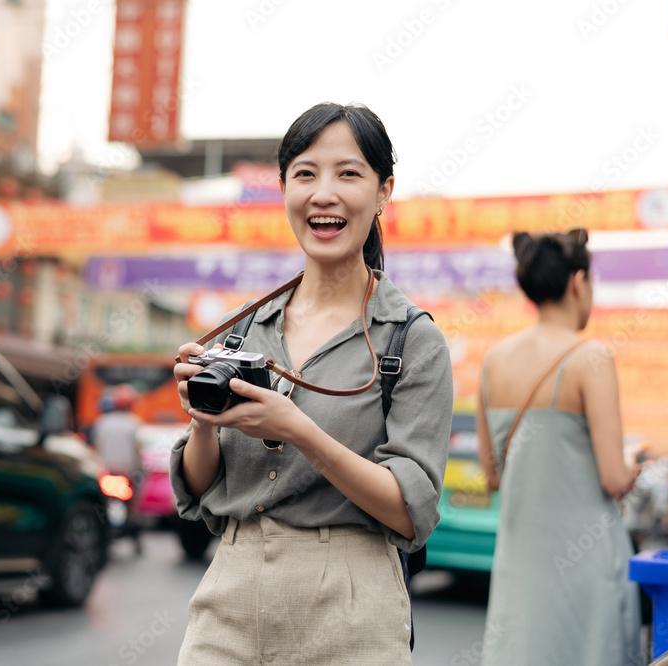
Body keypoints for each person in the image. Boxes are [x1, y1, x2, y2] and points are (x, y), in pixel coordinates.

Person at [169, 102, 454, 664]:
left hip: (352, 604)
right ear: (283, 189)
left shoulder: (411, 339)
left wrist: (298, 429)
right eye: (305, 173)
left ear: (383, 191)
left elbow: (408, 512)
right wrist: (203, 422)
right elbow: (199, 489)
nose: (324, 193)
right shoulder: (244, 326)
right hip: (230, 590)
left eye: (348, 173)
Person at [476, 230, 643, 665]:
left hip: (521, 569)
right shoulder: (591, 358)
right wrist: (632, 465)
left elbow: (493, 476)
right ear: (578, 282)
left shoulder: (495, 360)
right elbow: (613, 477)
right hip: (587, 566)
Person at [91, 384, 145, 550]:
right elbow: (138, 450)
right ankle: (135, 537)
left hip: (105, 473)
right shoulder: (134, 423)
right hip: (126, 474)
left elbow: (96, 448)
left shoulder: (101, 422)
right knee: (134, 507)